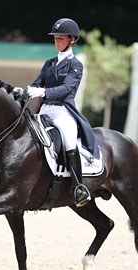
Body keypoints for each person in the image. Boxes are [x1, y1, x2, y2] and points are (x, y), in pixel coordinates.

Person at [27, 18, 100, 207]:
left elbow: (67, 89)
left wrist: (43, 92)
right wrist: (25, 90)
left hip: (63, 112)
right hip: (44, 110)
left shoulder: (76, 65)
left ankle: (78, 187)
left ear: (72, 40)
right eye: (55, 38)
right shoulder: (49, 63)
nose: (57, 42)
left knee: (69, 142)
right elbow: (37, 83)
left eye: (61, 38)